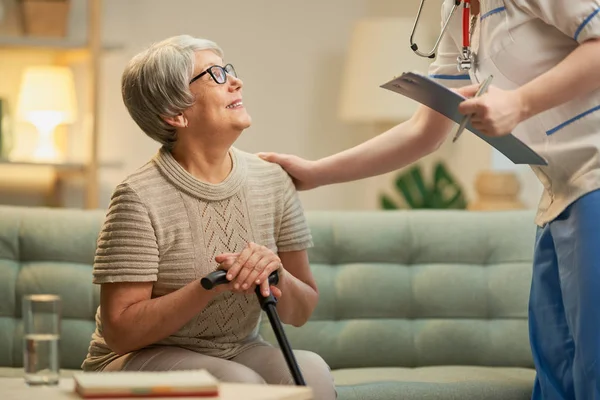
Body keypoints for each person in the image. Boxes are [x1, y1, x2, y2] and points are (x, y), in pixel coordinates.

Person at [258, 1, 600, 399]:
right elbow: (426, 129)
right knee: (558, 378)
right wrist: (317, 172)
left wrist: (519, 102)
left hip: (594, 178)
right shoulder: (458, 11)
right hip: (561, 195)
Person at [81, 34, 336, 400]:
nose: (236, 81)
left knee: (312, 374)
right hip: (134, 358)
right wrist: (209, 285)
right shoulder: (138, 195)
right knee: (238, 385)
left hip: (238, 348)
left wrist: (275, 270)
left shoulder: (273, 179)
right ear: (176, 113)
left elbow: (302, 310)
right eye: (215, 74)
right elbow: (120, 332)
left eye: (227, 69)